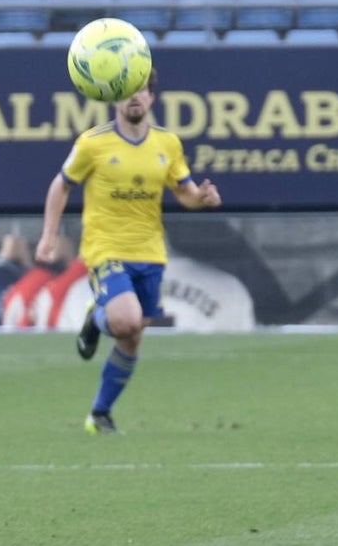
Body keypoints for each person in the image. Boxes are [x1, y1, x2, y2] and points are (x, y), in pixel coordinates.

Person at [35, 69, 221, 435]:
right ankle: (99, 317)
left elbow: (184, 192)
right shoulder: (93, 143)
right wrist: (49, 236)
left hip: (150, 253)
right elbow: (61, 185)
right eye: (126, 92)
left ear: (152, 98)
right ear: (113, 98)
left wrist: (202, 198)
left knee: (131, 336)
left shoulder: (168, 144)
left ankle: (99, 414)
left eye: (141, 92)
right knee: (126, 320)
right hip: (105, 249)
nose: (134, 98)